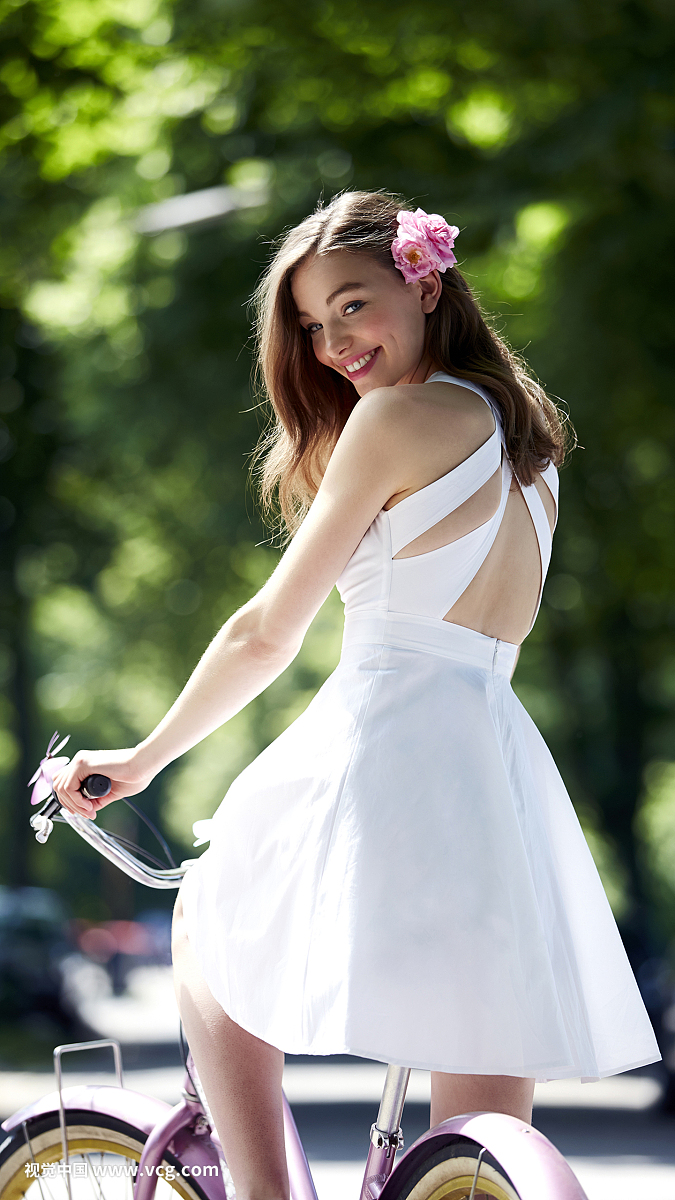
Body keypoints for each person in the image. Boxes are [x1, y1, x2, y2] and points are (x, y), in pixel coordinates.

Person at [54, 191, 660, 1200]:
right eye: (309, 324)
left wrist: (142, 759)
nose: (333, 341)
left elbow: (265, 632)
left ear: (425, 285)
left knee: (208, 921)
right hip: (498, 763)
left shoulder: (392, 420)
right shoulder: (530, 442)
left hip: (383, 738)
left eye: (353, 305)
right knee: (478, 1096)